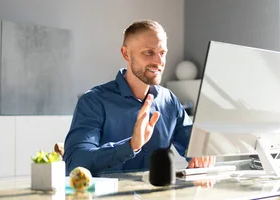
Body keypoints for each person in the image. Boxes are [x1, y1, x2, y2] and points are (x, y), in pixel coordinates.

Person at [63, 20, 215, 176]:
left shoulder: (168, 101)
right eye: (149, 52)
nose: (159, 62)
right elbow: (75, 163)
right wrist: (130, 145)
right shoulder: (94, 101)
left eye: (162, 53)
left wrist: (202, 153)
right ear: (126, 54)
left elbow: (195, 147)